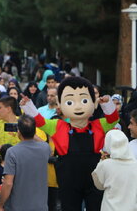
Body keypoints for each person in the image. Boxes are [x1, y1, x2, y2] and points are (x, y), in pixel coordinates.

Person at [20, 76, 119, 211]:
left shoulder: (99, 125)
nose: (78, 106)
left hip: (95, 179)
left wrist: (107, 103)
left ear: (94, 103)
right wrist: (28, 106)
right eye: (70, 102)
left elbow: (113, 119)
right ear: (59, 105)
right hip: (68, 180)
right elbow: (39, 121)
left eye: (84, 100)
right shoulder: (58, 126)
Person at [0, 114, 50, 211]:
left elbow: (8, 183)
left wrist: (1, 205)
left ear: (19, 131)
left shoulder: (12, 152)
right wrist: (31, 131)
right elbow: (43, 142)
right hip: (40, 206)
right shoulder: (45, 148)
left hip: (17, 206)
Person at [92, 129, 137, 211]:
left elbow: (99, 185)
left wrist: (101, 161)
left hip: (110, 208)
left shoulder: (106, 164)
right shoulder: (135, 164)